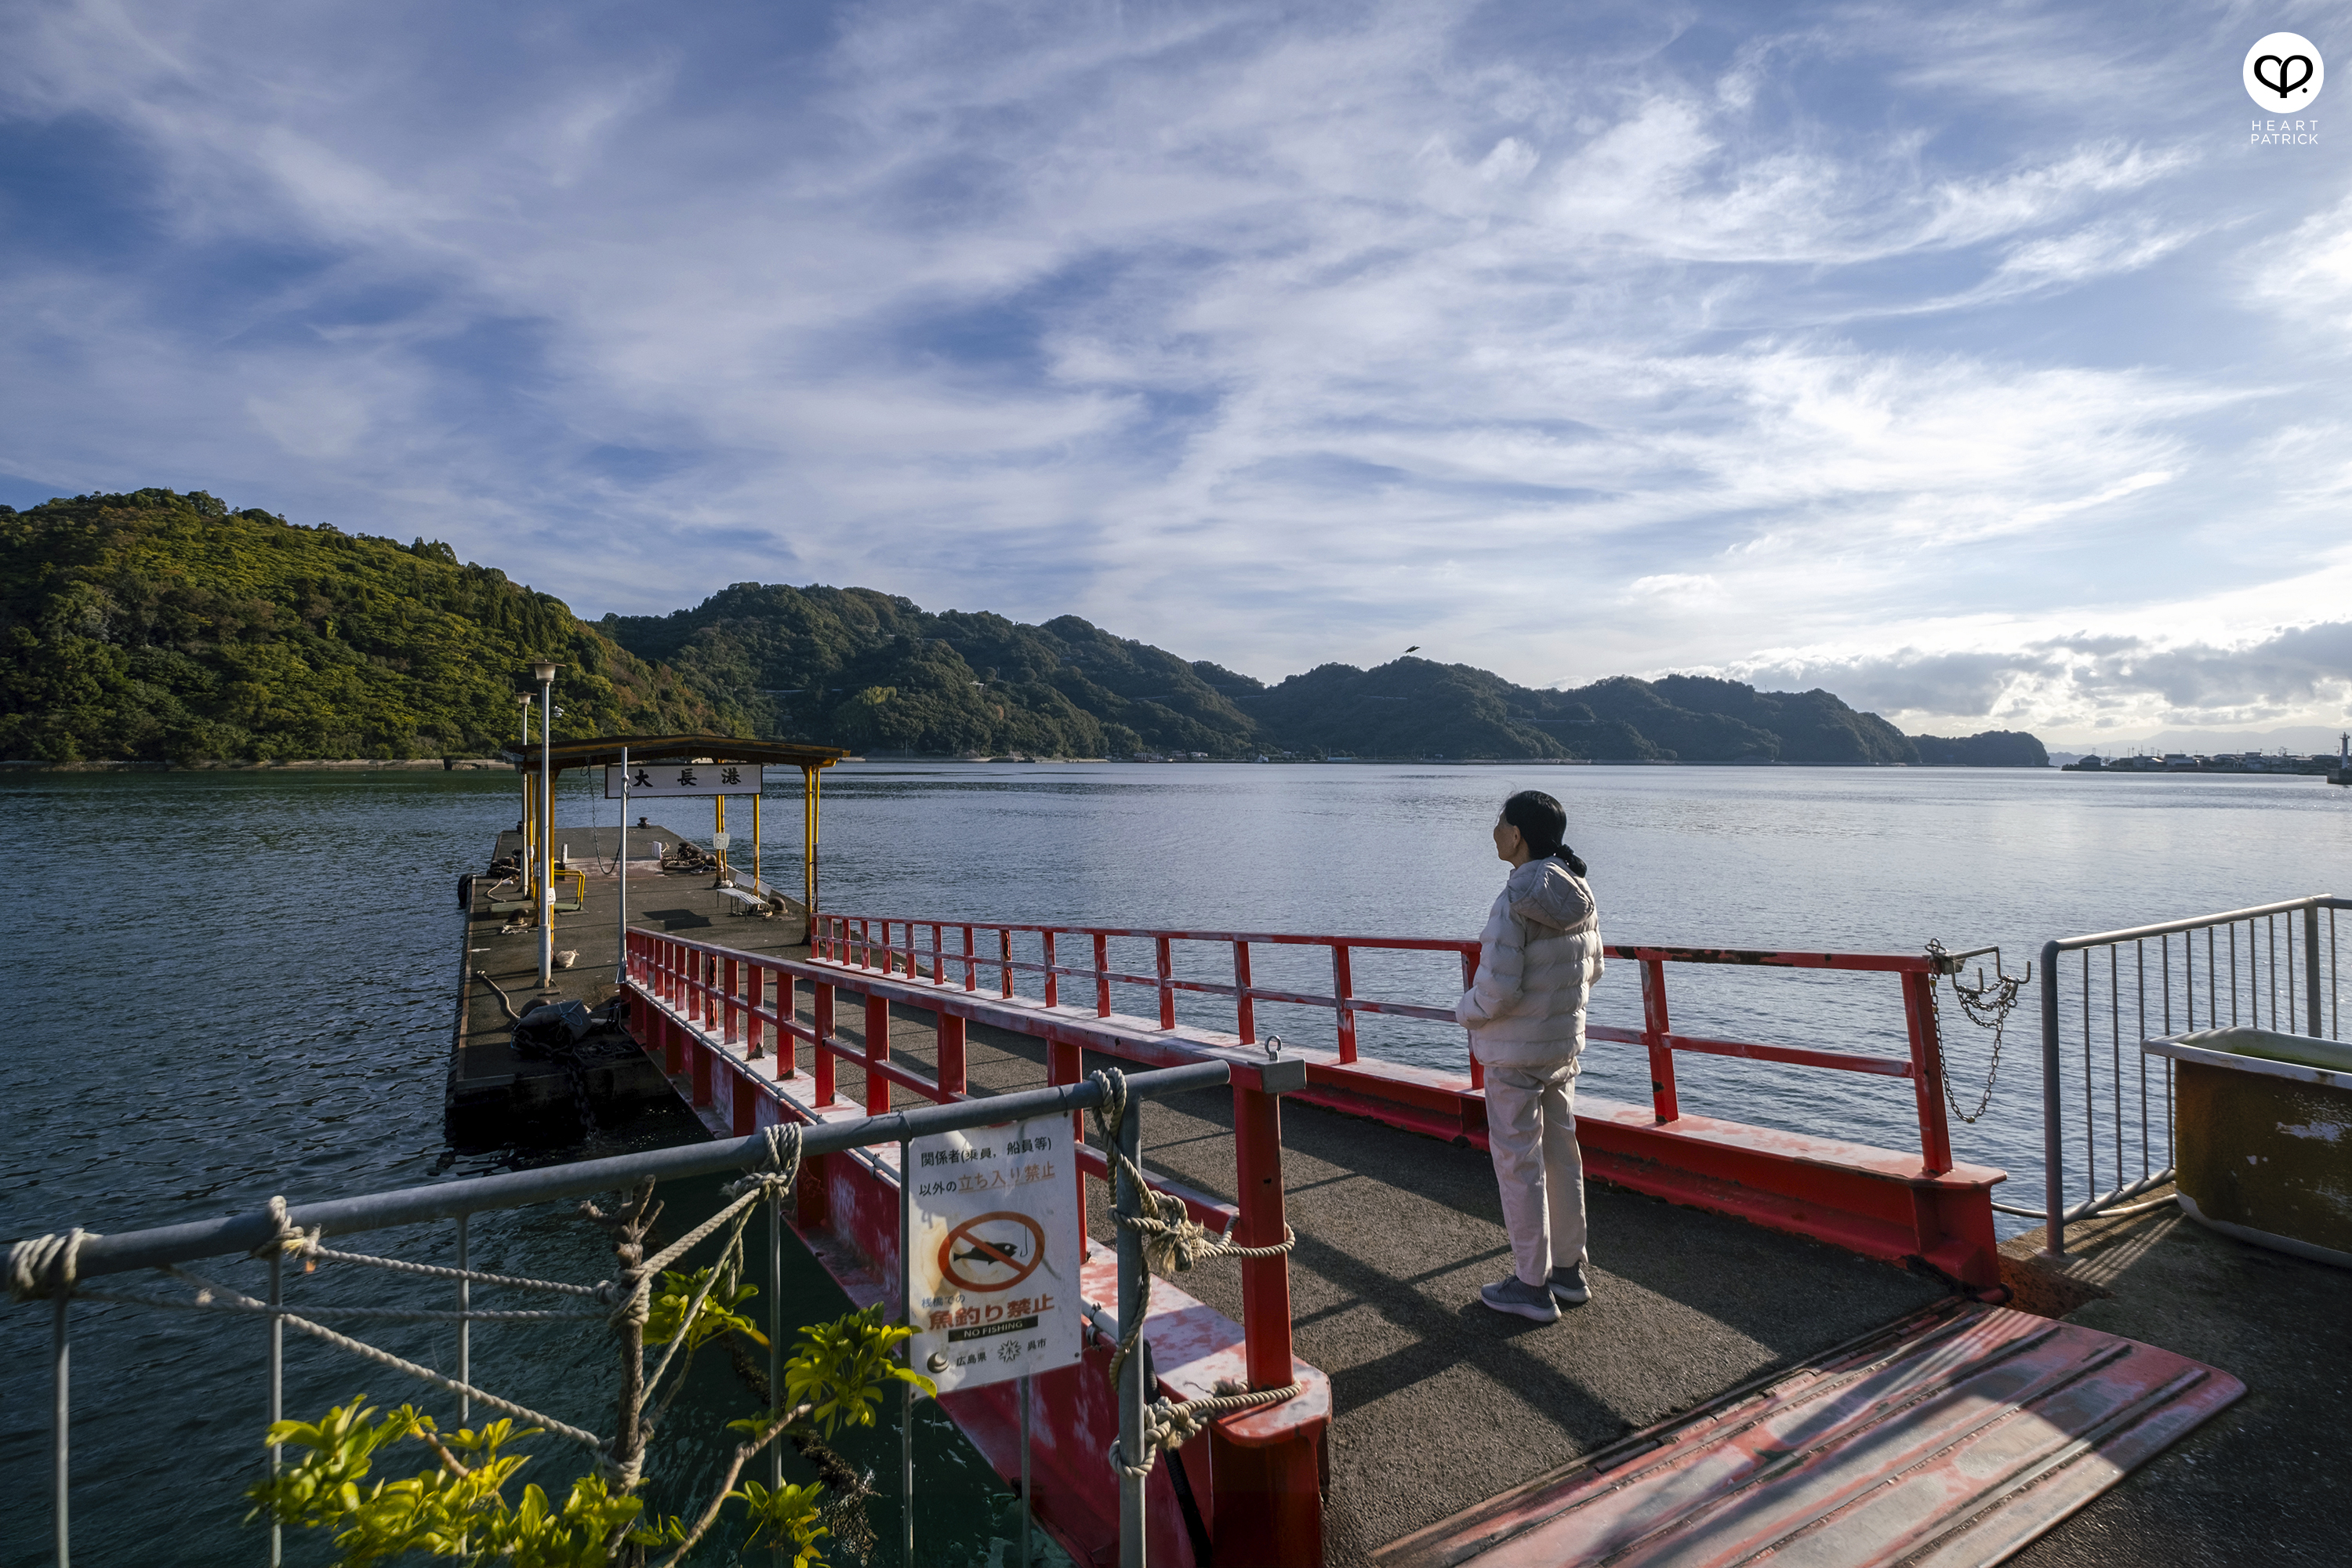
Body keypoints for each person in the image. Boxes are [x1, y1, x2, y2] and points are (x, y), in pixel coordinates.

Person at [1457, 789, 1605, 1323]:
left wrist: (1465, 1010)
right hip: (1560, 1047)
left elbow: (1498, 990)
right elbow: (1594, 970)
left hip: (1513, 1053)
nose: (1495, 831)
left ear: (1517, 835)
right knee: (1562, 1156)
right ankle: (1568, 1272)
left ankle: (1530, 1286)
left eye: (1500, 823)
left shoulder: (1515, 898)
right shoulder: (1579, 892)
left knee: (1519, 1165)